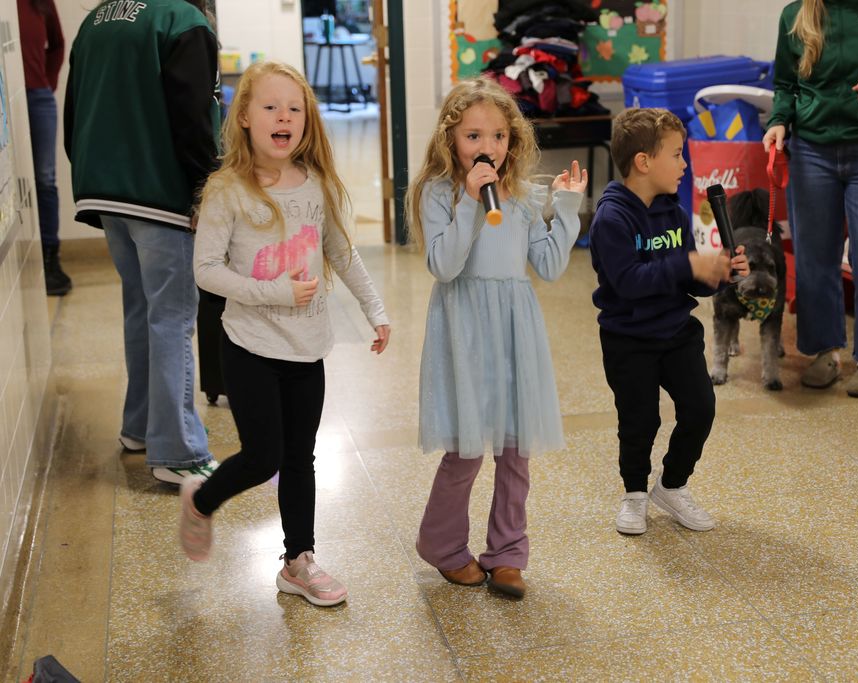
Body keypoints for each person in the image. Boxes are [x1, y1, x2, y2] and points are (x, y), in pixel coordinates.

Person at [183, 61, 390, 607]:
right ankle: (202, 501)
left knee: (302, 457)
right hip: (249, 343)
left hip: (308, 347)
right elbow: (205, 270)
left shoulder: (316, 185)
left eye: (295, 108)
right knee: (264, 457)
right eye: (271, 107)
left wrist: (377, 311)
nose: (284, 117)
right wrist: (271, 291)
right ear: (245, 117)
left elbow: (341, 253)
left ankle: (298, 561)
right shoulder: (227, 190)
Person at [406, 77, 587, 599]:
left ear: (513, 141)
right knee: (465, 450)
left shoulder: (526, 199)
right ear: (450, 140)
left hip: (514, 329)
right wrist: (468, 201)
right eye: (473, 136)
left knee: (515, 449)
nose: (487, 148)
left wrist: (567, 210)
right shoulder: (439, 194)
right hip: (463, 329)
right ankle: (441, 545)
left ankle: (507, 553)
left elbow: (549, 267)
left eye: (498, 137)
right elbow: (444, 265)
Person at [64, 0, 220, 482]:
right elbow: (194, 118)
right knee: (172, 318)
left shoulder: (95, 20)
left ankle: (140, 427)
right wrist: (208, 186)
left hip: (106, 191)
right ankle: (178, 452)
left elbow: (73, 115)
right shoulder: (182, 21)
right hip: (160, 194)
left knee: (142, 308)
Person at [589, 107, 749, 536]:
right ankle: (635, 493)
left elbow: (688, 282)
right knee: (639, 420)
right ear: (644, 162)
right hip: (628, 338)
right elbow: (629, 283)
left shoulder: (674, 213)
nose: (684, 164)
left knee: (700, 409)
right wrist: (691, 265)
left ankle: (671, 486)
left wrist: (717, 274)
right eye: (677, 154)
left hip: (677, 332)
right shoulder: (612, 218)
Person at [763, 0, 858, 398]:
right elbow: (785, 84)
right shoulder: (795, 13)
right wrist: (779, 121)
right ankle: (824, 353)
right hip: (812, 152)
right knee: (815, 259)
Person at [17, 0, 70, 296]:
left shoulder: (39, 2)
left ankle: (51, 259)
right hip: (6, 96)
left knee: (45, 179)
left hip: (37, 98)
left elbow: (58, 44)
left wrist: (46, 83)